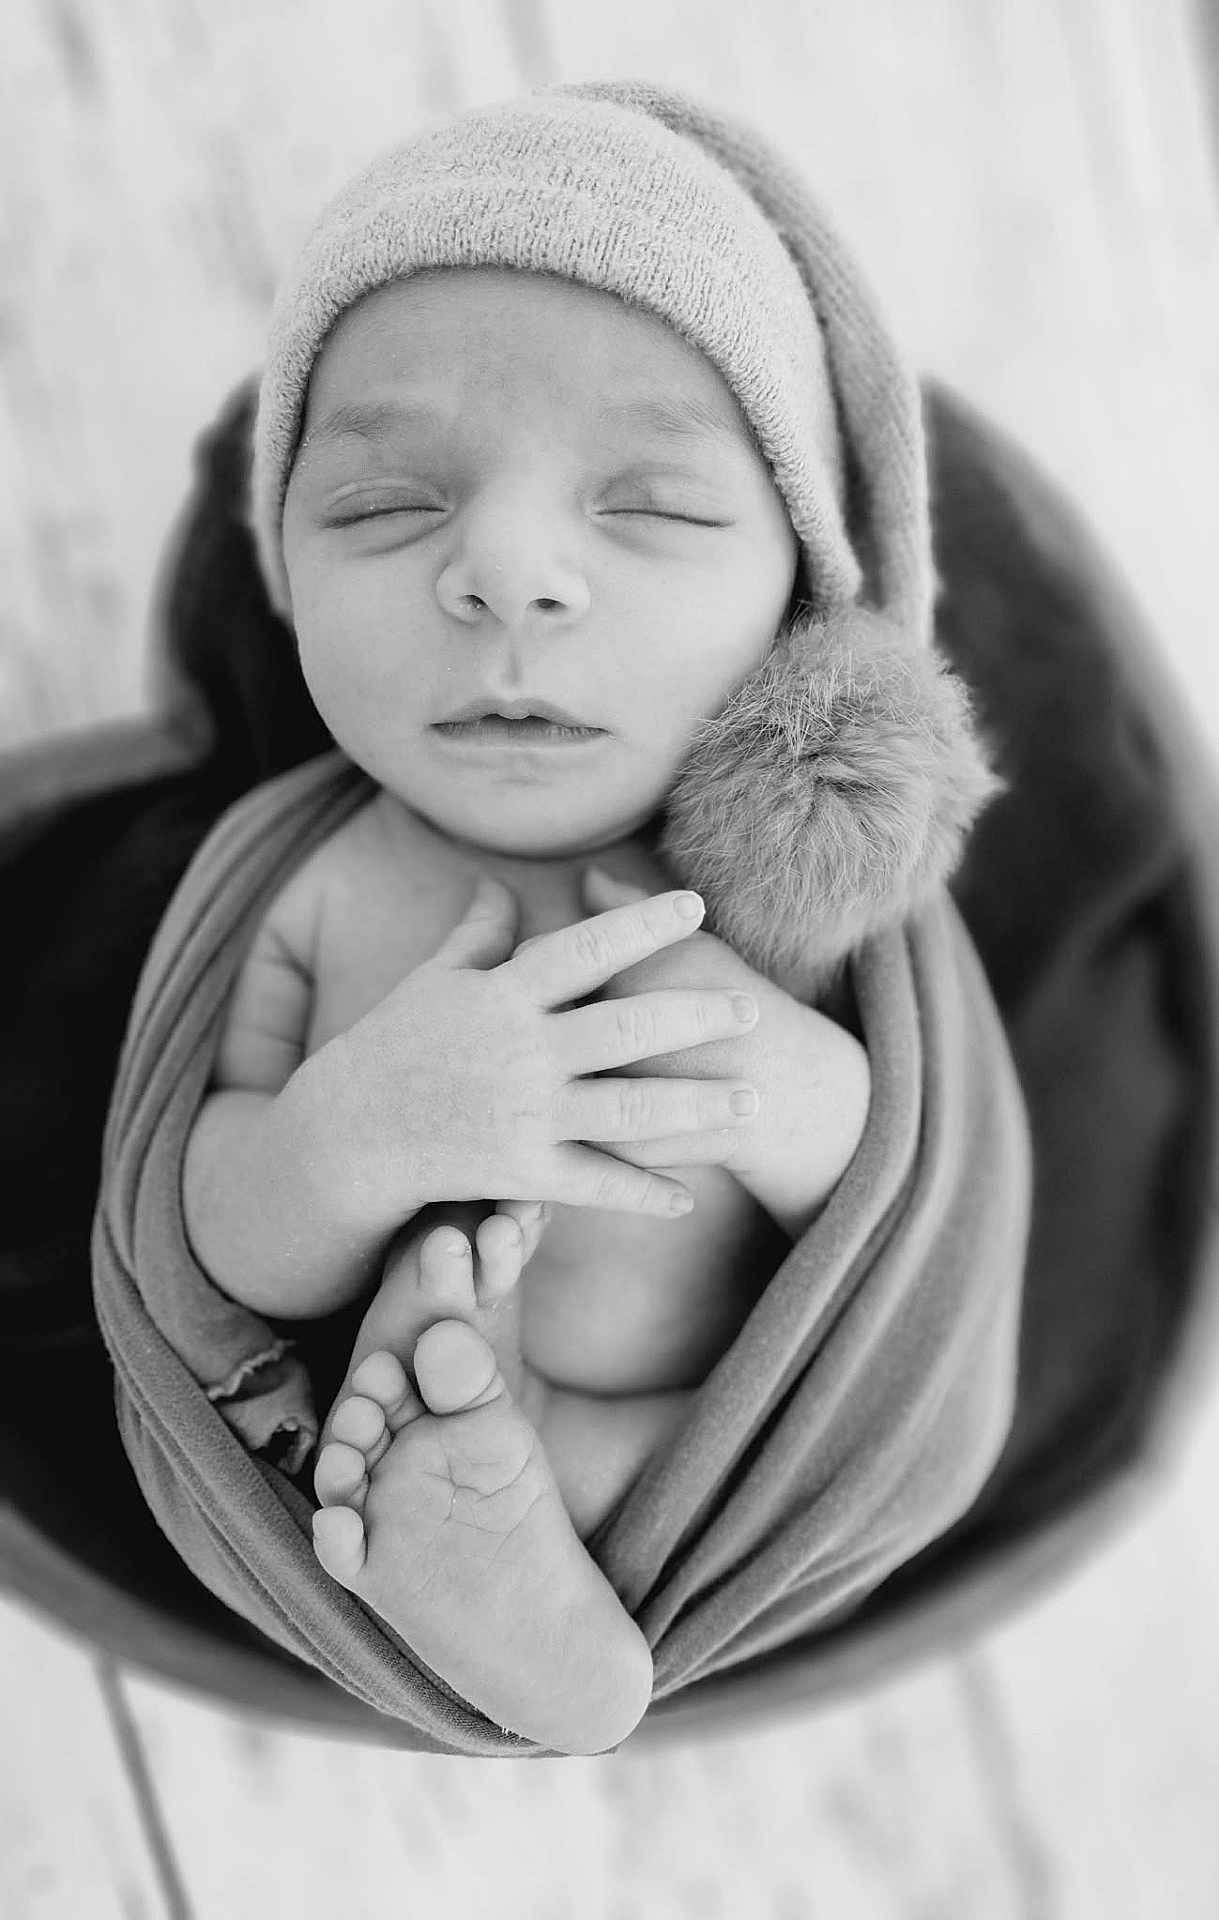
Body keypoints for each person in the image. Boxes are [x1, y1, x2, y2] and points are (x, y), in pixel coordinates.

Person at [179, 81, 1000, 1754]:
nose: (506, 572)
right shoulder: (309, 877)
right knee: (413, 1430)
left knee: (641, 1451)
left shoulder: (797, 883)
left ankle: (545, 1564)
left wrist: (759, 1066)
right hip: (399, 1409)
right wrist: (353, 1138)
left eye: (659, 507)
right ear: (282, 570)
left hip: (710, 1440)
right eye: (384, 506)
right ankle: (496, 1539)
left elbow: (914, 1189)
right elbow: (210, 1233)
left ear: (799, 600)